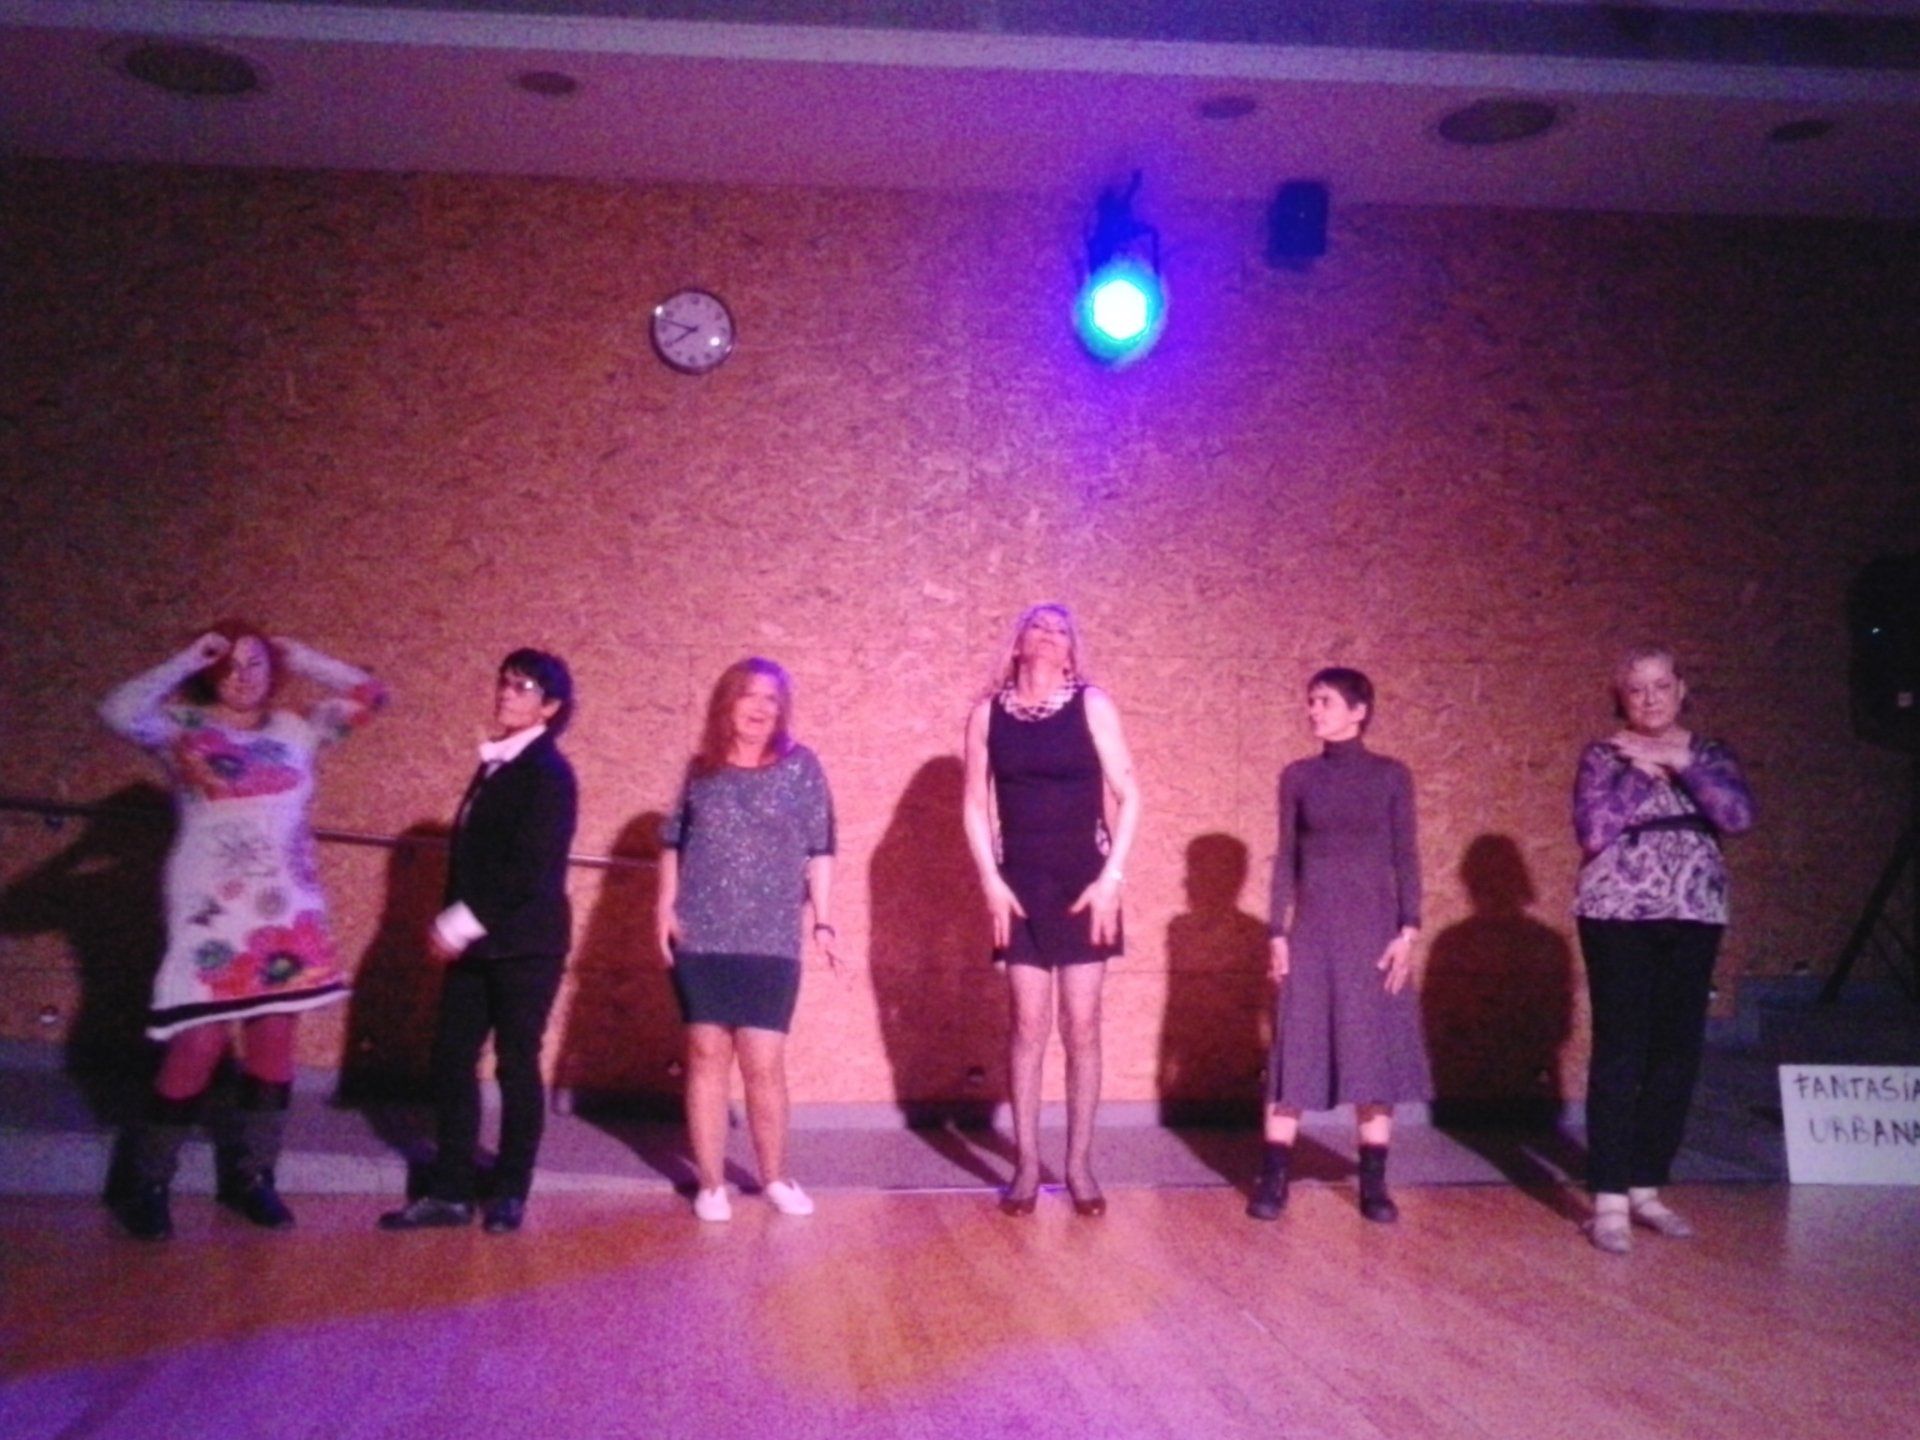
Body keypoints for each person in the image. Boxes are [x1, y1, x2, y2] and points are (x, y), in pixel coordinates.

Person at [99, 622, 386, 1239]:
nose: (242, 675)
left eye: (255, 663)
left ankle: (253, 1178)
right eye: (228, 664)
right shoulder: (183, 727)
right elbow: (117, 710)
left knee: (274, 1041)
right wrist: (184, 659)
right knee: (199, 1043)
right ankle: (147, 1183)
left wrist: (300, 654)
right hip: (213, 912)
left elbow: (373, 695)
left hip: (285, 910)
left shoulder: (296, 729)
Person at [379, 649, 579, 1235]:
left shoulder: (548, 773)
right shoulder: (498, 762)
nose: (507, 693)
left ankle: (511, 1191)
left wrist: (454, 925)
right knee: (451, 1058)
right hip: (479, 945)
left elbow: (527, 870)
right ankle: (451, 1191)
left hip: (525, 946)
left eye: (523, 687)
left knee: (517, 1064)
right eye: (505, 683)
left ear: (550, 707)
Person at [1572, 645, 1755, 1254]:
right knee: (1622, 1049)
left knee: (1676, 1050)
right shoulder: (1605, 755)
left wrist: (1681, 762)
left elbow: (1737, 816)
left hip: (1694, 910)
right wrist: (1643, 772)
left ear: (1681, 690)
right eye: (1636, 689)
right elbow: (1593, 830)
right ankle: (1609, 1198)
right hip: (1618, 913)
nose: (1650, 698)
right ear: (1621, 698)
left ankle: (1646, 1186)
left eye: (1660, 686)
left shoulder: (1709, 753)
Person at [962, 603, 1140, 1217]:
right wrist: (990, 880)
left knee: (1082, 1024)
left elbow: (1131, 794)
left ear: (1071, 652)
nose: (1048, 635)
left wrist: (1112, 879)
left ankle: (1079, 1164)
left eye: (1061, 631)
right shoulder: (987, 714)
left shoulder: (1092, 704)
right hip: (1019, 884)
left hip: (1086, 882)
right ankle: (1026, 1166)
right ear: (1018, 644)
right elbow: (974, 804)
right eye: (1038, 627)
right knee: (1027, 1025)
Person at [656, 658, 840, 1223]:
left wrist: (824, 920)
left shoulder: (801, 767)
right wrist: (663, 907)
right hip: (702, 932)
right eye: (749, 696)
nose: (761, 708)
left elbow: (821, 848)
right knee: (706, 1053)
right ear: (726, 703)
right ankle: (711, 1184)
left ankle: (776, 1177)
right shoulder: (701, 771)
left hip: (770, 936)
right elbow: (673, 842)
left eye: (771, 699)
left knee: (763, 1060)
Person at [1253, 667, 1427, 1224]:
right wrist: (1276, 931)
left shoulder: (1391, 776)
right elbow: (1286, 857)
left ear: (1358, 711)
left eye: (1324, 701)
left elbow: (1406, 856)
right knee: (1297, 1049)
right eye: (1311, 701)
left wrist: (1408, 930)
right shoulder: (1298, 776)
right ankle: (1274, 1178)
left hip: (1373, 933)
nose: (1313, 710)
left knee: (1371, 1052)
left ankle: (1374, 1184)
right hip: (1314, 933)